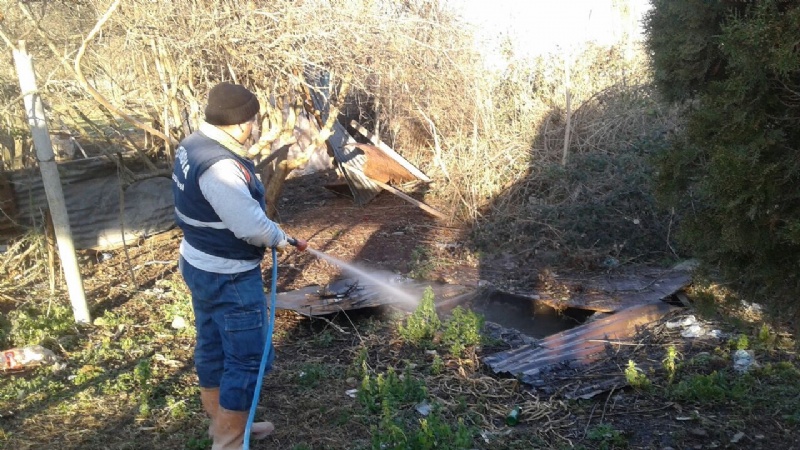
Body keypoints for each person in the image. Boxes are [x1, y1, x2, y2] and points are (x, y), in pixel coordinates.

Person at [171, 82, 305, 450]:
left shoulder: (194, 144)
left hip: (198, 262)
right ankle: (230, 442)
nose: (255, 127)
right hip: (227, 274)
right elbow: (248, 225)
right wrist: (280, 238)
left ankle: (222, 424)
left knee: (213, 343)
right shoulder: (221, 167)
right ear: (244, 123)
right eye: (254, 120)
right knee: (247, 358)